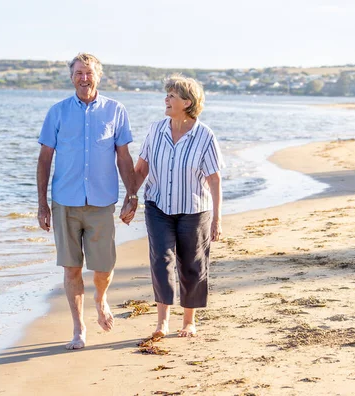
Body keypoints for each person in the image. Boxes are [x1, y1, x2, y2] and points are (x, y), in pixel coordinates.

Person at [37, 53, 138, 350]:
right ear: (71, 77)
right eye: (79, 73)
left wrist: (132, 195)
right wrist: (42, 205)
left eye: (89, 72)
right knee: (71, 268)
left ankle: (101, 297)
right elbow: (44, 160)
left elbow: (124, 157)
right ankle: (79, 328)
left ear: (98, 76)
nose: (84, 78)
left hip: (101, 202)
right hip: (65, 203)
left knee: (104, 268)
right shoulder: (57, 112)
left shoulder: (116, 110)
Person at [124, 74, 224, 338]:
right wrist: (130, 197)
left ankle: (189, 321)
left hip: (195, 210)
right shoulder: (156, 129)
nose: (166, 99)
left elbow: (214, 179)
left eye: (172, 96)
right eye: (167, 95)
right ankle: (162, 322)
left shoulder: (205, 136)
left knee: (192, 264)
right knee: (161, 261)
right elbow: (142, 167)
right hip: (158, 207)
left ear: (188, 102)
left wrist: (217, 218)